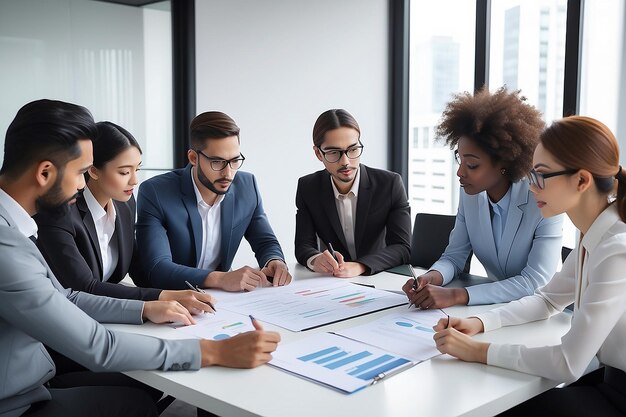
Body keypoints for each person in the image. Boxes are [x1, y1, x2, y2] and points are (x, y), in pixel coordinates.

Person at [0, 100, 280, 417]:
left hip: (31, 378)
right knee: (137, 405)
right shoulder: (6, 244)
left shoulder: (16, 227)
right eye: (80, 172)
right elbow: (98, 346)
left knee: (145, 393)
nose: (82, 184)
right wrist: (213, 351)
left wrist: (147, 307)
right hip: (17, 403)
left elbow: (66, 297)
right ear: (45, 172)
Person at [433, 116, 626, 416]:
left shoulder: (616, 250)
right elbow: (548, 299)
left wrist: (478, 351)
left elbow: (568, 363)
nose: (531, 187)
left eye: (541, 175)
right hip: (604, 380)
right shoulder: (596, 235)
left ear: (581, 181)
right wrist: (480, 323)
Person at [402, 87, 563, 308]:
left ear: (504, 163)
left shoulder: (544, 200)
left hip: (536, 313)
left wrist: (458, 295)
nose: (460, 172)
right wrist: (433, 276)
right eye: (460, 160)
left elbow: (535, 282)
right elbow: (454, 256)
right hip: (492, 309)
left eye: (472, 165)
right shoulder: (470, 195)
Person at [34, 121, 216, 312]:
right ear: (93, 170)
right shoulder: (60, 213)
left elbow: (138, 268)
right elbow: (84, 288)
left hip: (110, 314)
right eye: (124, 172)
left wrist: (183, 294)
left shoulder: (125, 203)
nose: (134, 180)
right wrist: (161, 297)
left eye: (137, 169)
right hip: (64, 317)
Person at [136, 111, 291, 291]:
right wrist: (220, 279)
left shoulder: (247, 186)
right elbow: (158, 268)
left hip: (225, 301)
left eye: (234, 161)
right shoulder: (156, 192)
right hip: (172, 300)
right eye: (217, 162)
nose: (228, 173)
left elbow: (265, 241)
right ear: (193, 158)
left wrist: (274, 261)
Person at [295, 109, 411, 277]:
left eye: (353, 149)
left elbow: (402, 248)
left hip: (380, 277)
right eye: (334, 152)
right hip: (333, 281)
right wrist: (315, 259)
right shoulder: (308, 187)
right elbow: (303, 246)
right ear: (318, 153)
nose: (346, 162)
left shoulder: (390, 184)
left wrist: (360, 266)